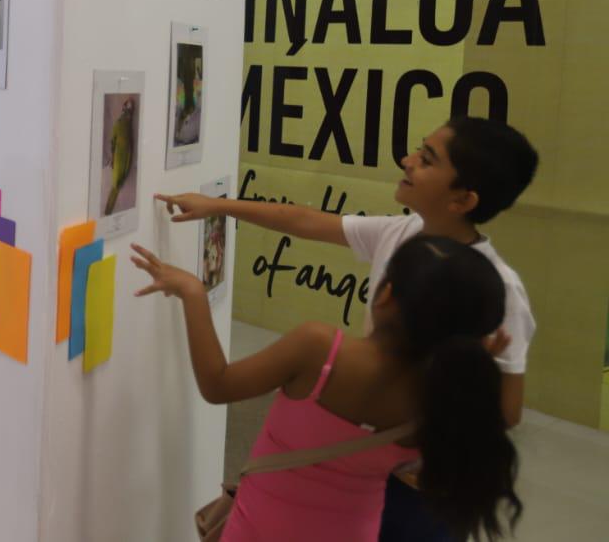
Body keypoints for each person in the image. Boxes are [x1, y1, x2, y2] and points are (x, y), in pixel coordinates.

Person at [157, 116, 538, 540]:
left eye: (427, 159)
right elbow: (304, 221)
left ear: (463, 199)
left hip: (417, 487)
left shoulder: (498, 289)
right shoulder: (404, 231)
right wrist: (219, 206)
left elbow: (505, 411)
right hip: (372, 463)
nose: (408, 160)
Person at [132, 235, 522, 541]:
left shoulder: (321, 350)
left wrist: (193, 292)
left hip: (261, 529)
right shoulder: (444, 397)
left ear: (384, 294)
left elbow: (217, 384)